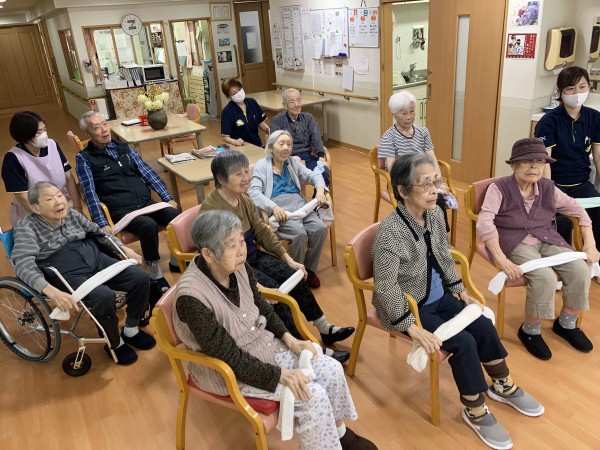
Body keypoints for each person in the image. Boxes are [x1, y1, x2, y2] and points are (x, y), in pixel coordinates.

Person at [372, 152, 544, 449]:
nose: (434, 190)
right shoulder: (390, 233)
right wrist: (412, 327)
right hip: (412, 306)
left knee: (482, 324)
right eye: (425, 184)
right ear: (402, 191)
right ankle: (474, 408)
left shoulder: (435, 214)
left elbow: (443, 254)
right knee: (463, 343)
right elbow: (386, 288)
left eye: (435, 182)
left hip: (440, 295)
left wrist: (460, 290)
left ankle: (502, 384)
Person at [173, 210, 377, 450]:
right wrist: (279, 374)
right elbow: (228, 357)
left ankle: (338, 434)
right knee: (311, 396)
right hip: (228, 372)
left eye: (241, 241)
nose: (241, 251)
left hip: (264, 347)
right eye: (231, 245)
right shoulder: (191, 298)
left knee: (331, 369)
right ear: (208, 254)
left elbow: (259, 304)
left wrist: (290, 340)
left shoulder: (238, 265)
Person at [200, 150, 354, 362]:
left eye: (246, 171)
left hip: (252, 256)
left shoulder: (242, 198)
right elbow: (218, 262)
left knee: (294, 276)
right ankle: (307, 347)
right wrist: (256, 286)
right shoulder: (212, 211)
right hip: (234, 269)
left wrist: (288, 258)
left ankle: (323, 327)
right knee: (278, 296)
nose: (246, 177)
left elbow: (261, 231)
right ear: (221, 178)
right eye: (238, 174)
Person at [477, 137, 598, 360]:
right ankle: (530, 330)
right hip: (514, 241)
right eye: (527, 161)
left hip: (547, 237)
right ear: (514, 164)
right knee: (544, 277)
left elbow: (579, 210)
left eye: (540, 161)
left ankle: (566, 323)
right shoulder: (499, 188)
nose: (534, 166)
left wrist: (590, 243)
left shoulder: (548, 187)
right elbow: (485, 222)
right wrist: (501, 259)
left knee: (580, 269)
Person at [11, 181, 155, 365]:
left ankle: (131, 329)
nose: (59, 201)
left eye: (59, 195)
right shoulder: (27, 227)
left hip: (94, 256)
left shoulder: (72, 214)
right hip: (64, 269)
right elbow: (22, 263)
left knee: (140, 277)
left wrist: (123, 248)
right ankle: (114, 342)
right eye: (49, 199)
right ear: (35, 208)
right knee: (103, 296)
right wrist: (51, 291)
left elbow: (99, 233)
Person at [75, 111, 180, 293]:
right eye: (97, 127)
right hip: (121, 209)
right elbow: (89, 192)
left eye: (105, 124)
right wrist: (101, 222)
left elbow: (147, 173)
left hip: (145, 202)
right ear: (88, 133)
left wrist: (167, 197)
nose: (104, 130)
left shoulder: (124, 148)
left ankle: (174, 259)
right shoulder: (84, 158)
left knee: (175, 216)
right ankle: (154, 272)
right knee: (148, 225)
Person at [249, 130, 328, 288]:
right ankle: (297, 272)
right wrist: (273, 207)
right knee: (299, 234)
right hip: (280, 208)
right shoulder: (262, 166)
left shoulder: (292, 163)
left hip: (299, 204)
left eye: (289, 144)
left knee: (320, 229)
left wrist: (320, 190)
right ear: (271, 147)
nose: (286, 148)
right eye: (281, 144)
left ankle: (310, 269)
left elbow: (315, 175)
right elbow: (254, 192)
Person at [535, 66, 600, 249]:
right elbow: (545, 161)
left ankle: (594, 256)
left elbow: (598, 155)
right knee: (561, 220)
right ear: (560, 92)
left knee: (598, 210)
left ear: (589, 87)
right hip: (556, 183)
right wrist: (548, 192)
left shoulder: (594, 118)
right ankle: (563, 257)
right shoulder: (549, 121)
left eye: (582, 87)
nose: (577, 93)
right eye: (570, 88)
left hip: (582, 183)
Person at [378, 91, 450, 231]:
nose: (409, 117)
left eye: (412, 111)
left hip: (426, 178)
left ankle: (438, 236)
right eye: (404, 113)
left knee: (436, 197)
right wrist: (416, 185)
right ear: (394, 114)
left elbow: (432, 159)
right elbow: (393, 169)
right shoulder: (388, 137)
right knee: (428, 199)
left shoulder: (423, 132)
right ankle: (424, 235)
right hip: (404, 181)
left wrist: (438, 182)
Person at [2, 111, 82, 226]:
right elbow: (23, 197)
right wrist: (49, 220)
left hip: (62, 205)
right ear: (25, 135)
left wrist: (78, 208)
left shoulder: (53, 145)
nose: (44, 135)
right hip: (35, 214)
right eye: (39, 132)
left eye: (45, 130)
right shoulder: (13, 158)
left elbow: (69, 179)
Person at [270, 88, 330, 186]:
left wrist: (321, 156)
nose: (296, 105)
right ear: (284, 105)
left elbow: (316, 137)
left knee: (323, 176)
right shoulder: (277, 121)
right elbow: (276, 145)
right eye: (292, 102)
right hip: (287, 158)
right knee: (292, 182)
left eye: (298, 101)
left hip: (307, 156)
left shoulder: (308, 117)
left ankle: (318, 196)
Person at [220, 78, 269, 147]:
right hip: (241, 147)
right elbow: (225, 137)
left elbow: (260, 122)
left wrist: (268, 129)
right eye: (234, 93)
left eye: (239, 89)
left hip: (257, 144)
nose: (238, 93)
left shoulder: (252, 102)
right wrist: (234, 141)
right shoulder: (227, 112)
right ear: (229, 97)